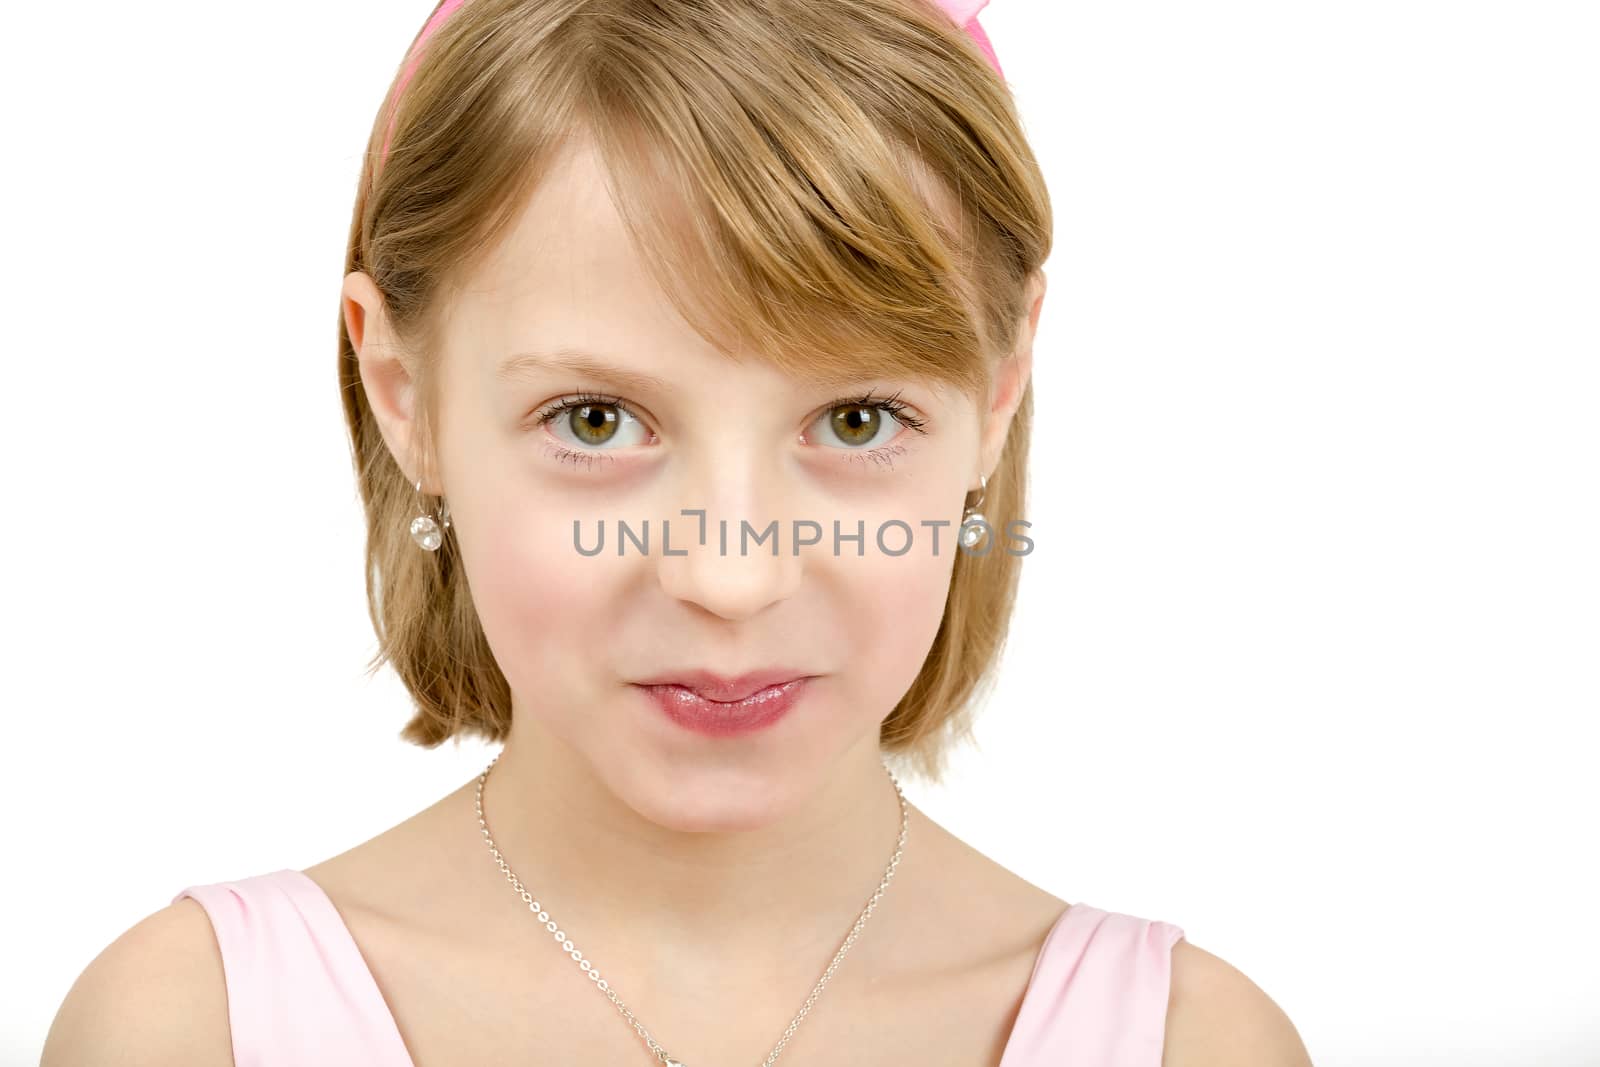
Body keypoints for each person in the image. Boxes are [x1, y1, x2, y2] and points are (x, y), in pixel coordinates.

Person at [43, 0, 1313, 1063]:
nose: (730, 575)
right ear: (404, 398)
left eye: (858, 418)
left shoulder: (1187, 1041)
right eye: (594, 420)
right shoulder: (191, 1027)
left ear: (998, 389)